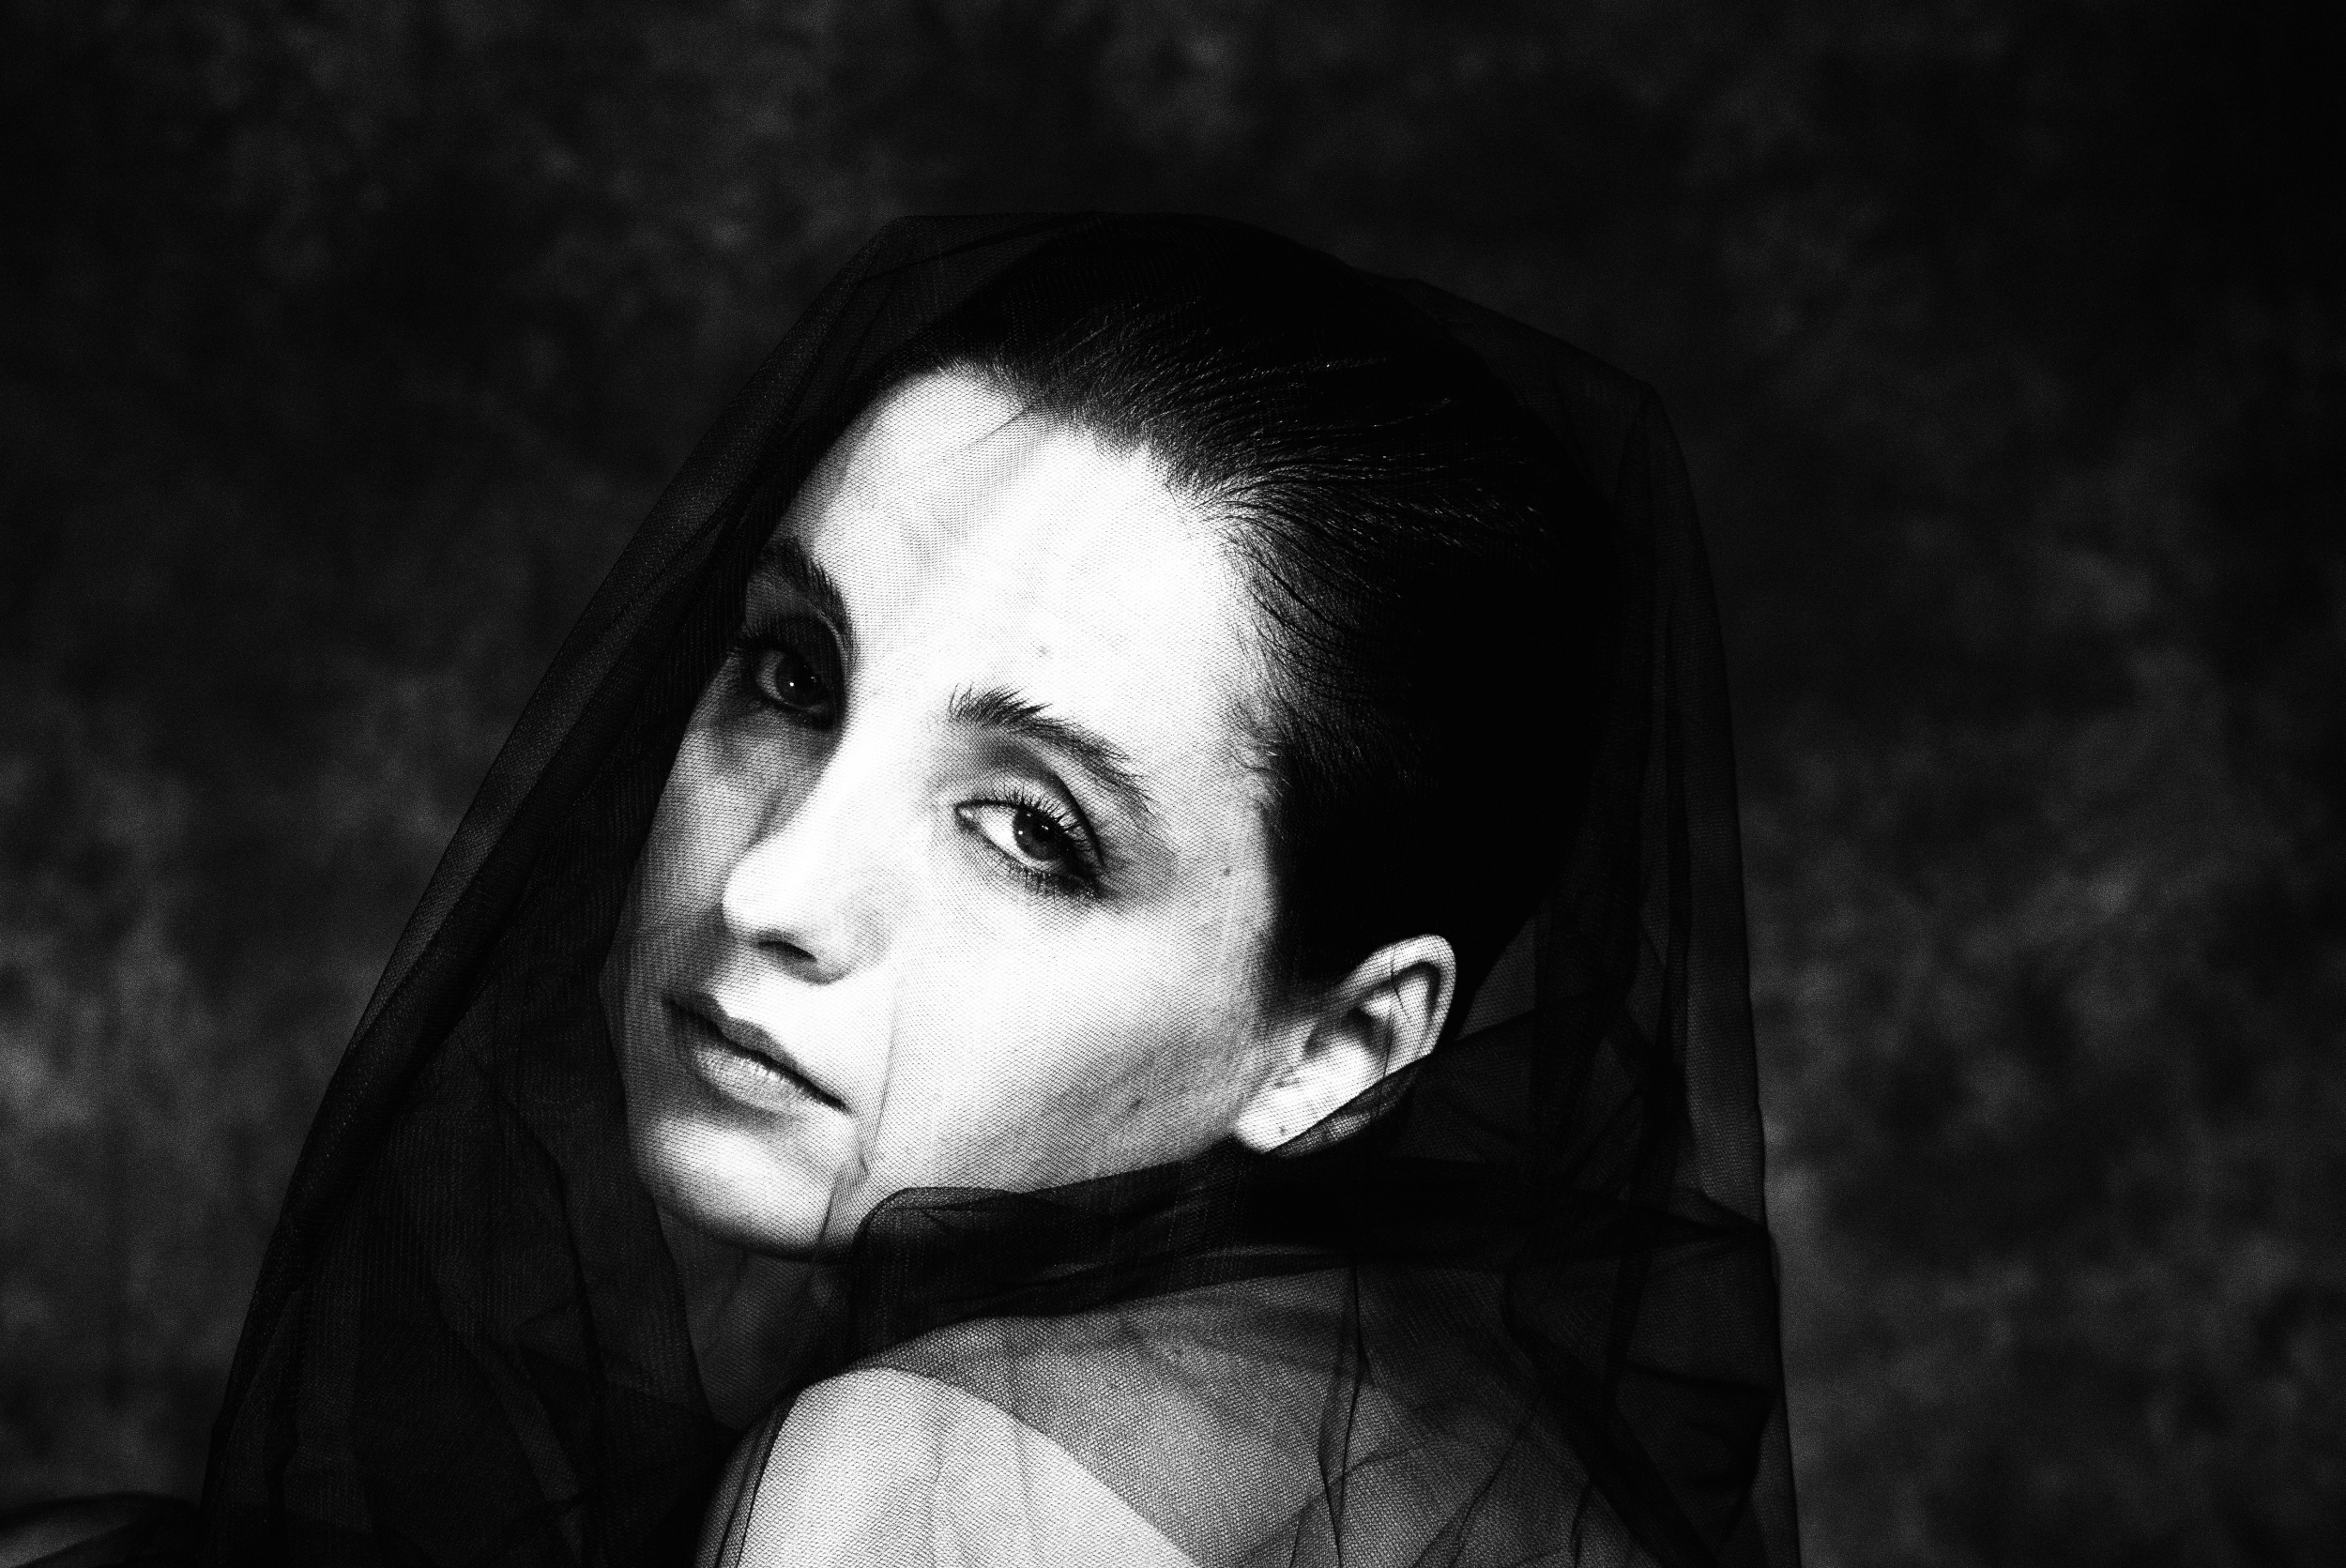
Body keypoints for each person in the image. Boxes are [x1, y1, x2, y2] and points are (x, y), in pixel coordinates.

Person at [37, 214, 1794, 1567]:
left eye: (1029, 830)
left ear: (1337, 1048)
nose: (774, 883)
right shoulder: (1388, 1433)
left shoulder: (941, 1479)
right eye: (795, 676)